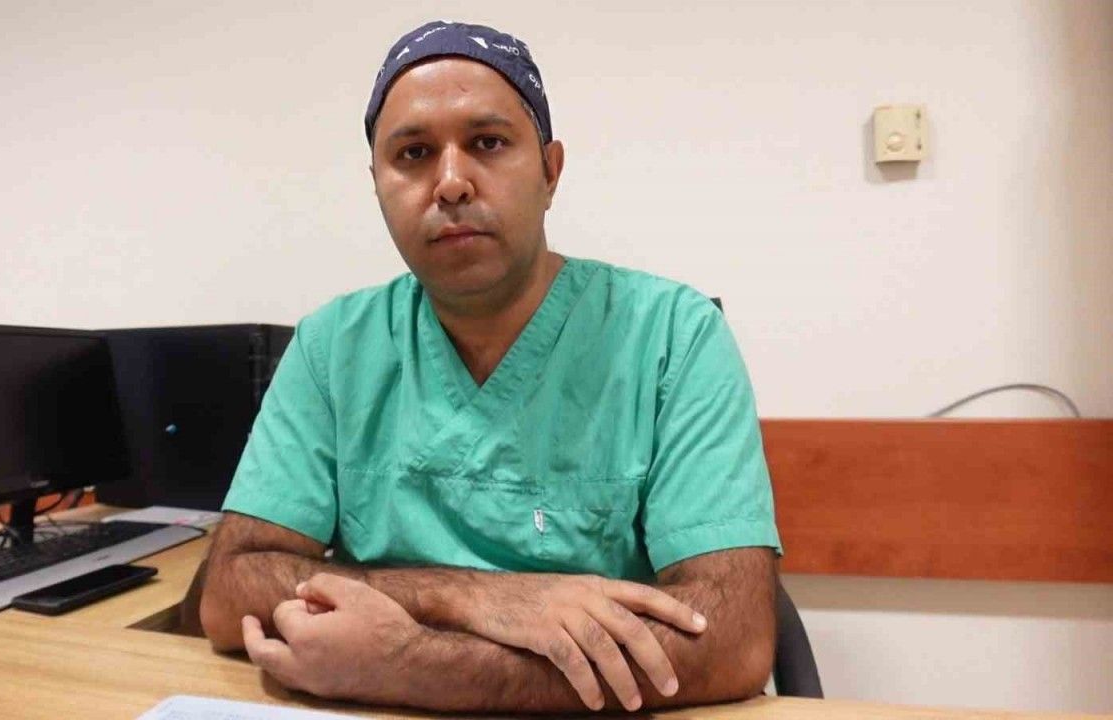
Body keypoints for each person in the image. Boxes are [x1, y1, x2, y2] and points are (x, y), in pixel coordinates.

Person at [198, 20, 782, 713]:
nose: (450, 183)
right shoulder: (333, 346)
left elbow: (734, 641)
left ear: (550, 171)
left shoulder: (672, 336)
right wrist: (475, 596)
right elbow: (229, 590)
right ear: (377, 184)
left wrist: (414, 666)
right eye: (414, 153)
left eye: (488, 143)